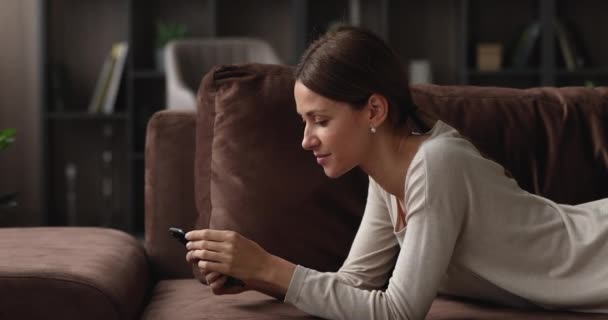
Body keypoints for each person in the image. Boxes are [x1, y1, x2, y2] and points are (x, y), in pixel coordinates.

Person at [185, 26, 608, 319]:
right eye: (304, 121)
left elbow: (398, 311)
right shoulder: (387, 177)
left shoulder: (438, 162)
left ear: (373, 110)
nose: (306, 140)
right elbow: (356, 284)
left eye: (320, 120)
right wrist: (258, 278)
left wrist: (269, 266)